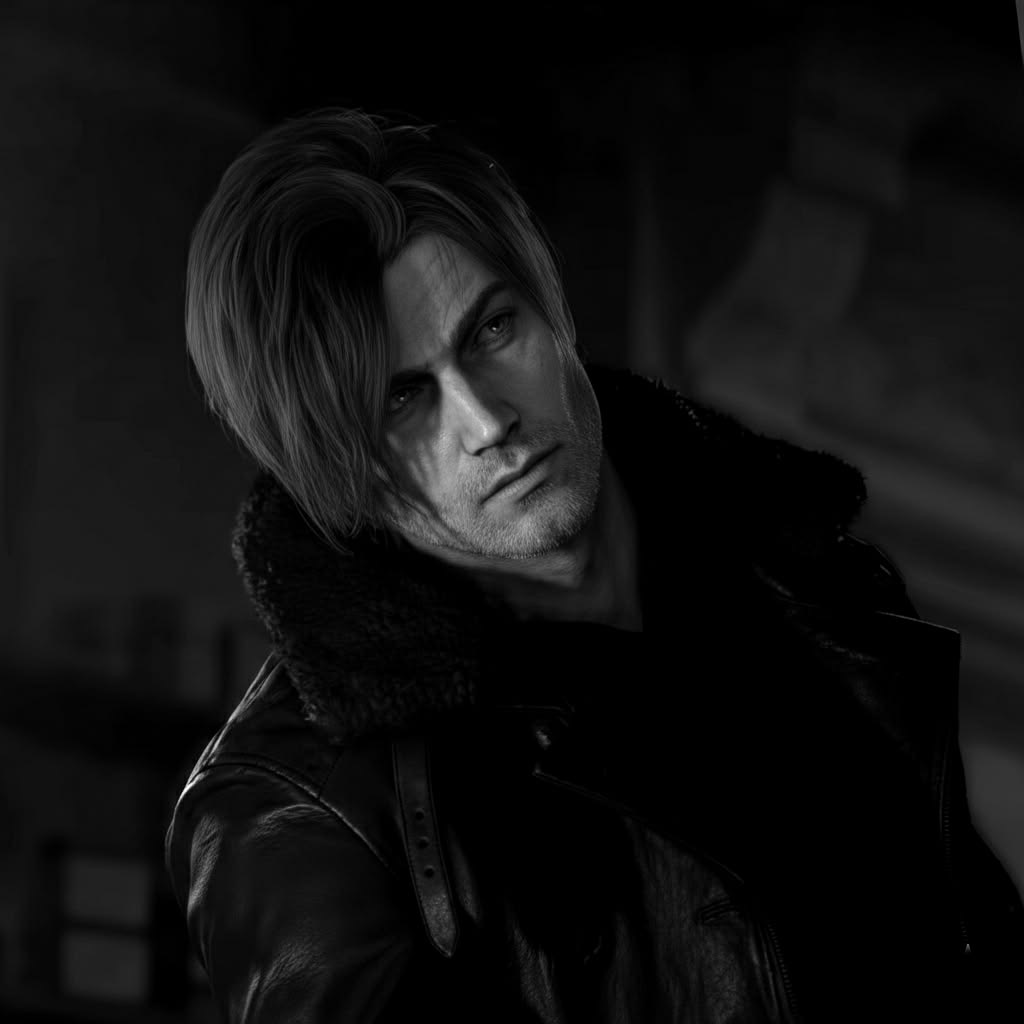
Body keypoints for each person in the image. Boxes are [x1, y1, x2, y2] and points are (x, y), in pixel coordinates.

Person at [165, 107, 1023, 1023]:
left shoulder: (805, 577)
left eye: (492, 330)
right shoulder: (297, 812)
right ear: (335, 468)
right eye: (403, 400)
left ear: (553, 308)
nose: (488, 421)